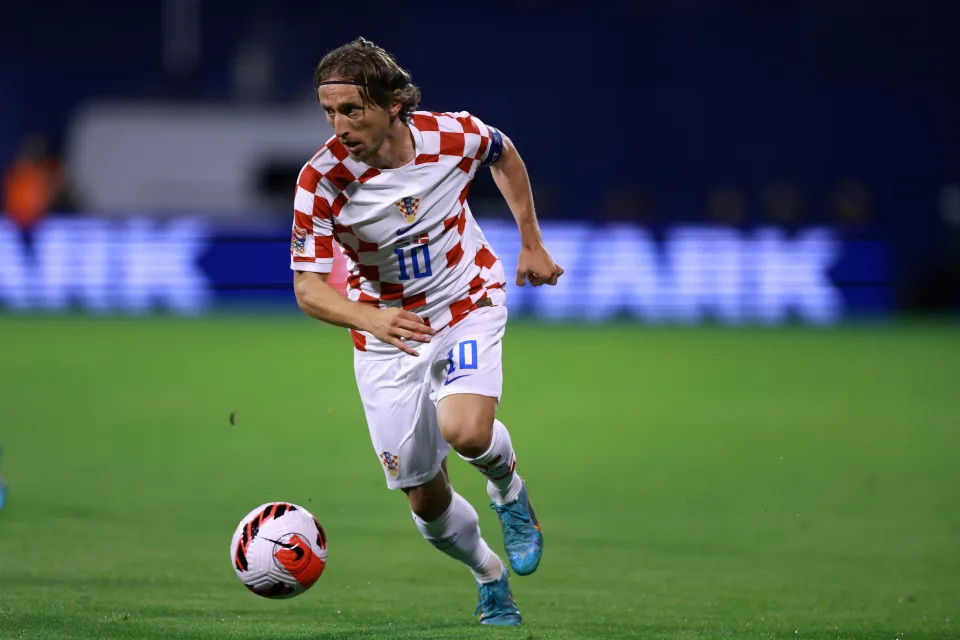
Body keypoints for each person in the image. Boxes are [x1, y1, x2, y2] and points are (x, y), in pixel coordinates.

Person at [289, 38, 563, 626]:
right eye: (329, 112)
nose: (339, 126)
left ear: (392, 102)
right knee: (426, 498)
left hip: (465, 299)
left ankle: (508, 492)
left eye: (351, 111)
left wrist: (531, 241)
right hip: (385, 332)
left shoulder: (450, 136)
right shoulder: (321, 180)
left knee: (465, 431)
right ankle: (488, 574)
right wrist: (374, 318)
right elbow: (308, 289)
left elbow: (503, 152)